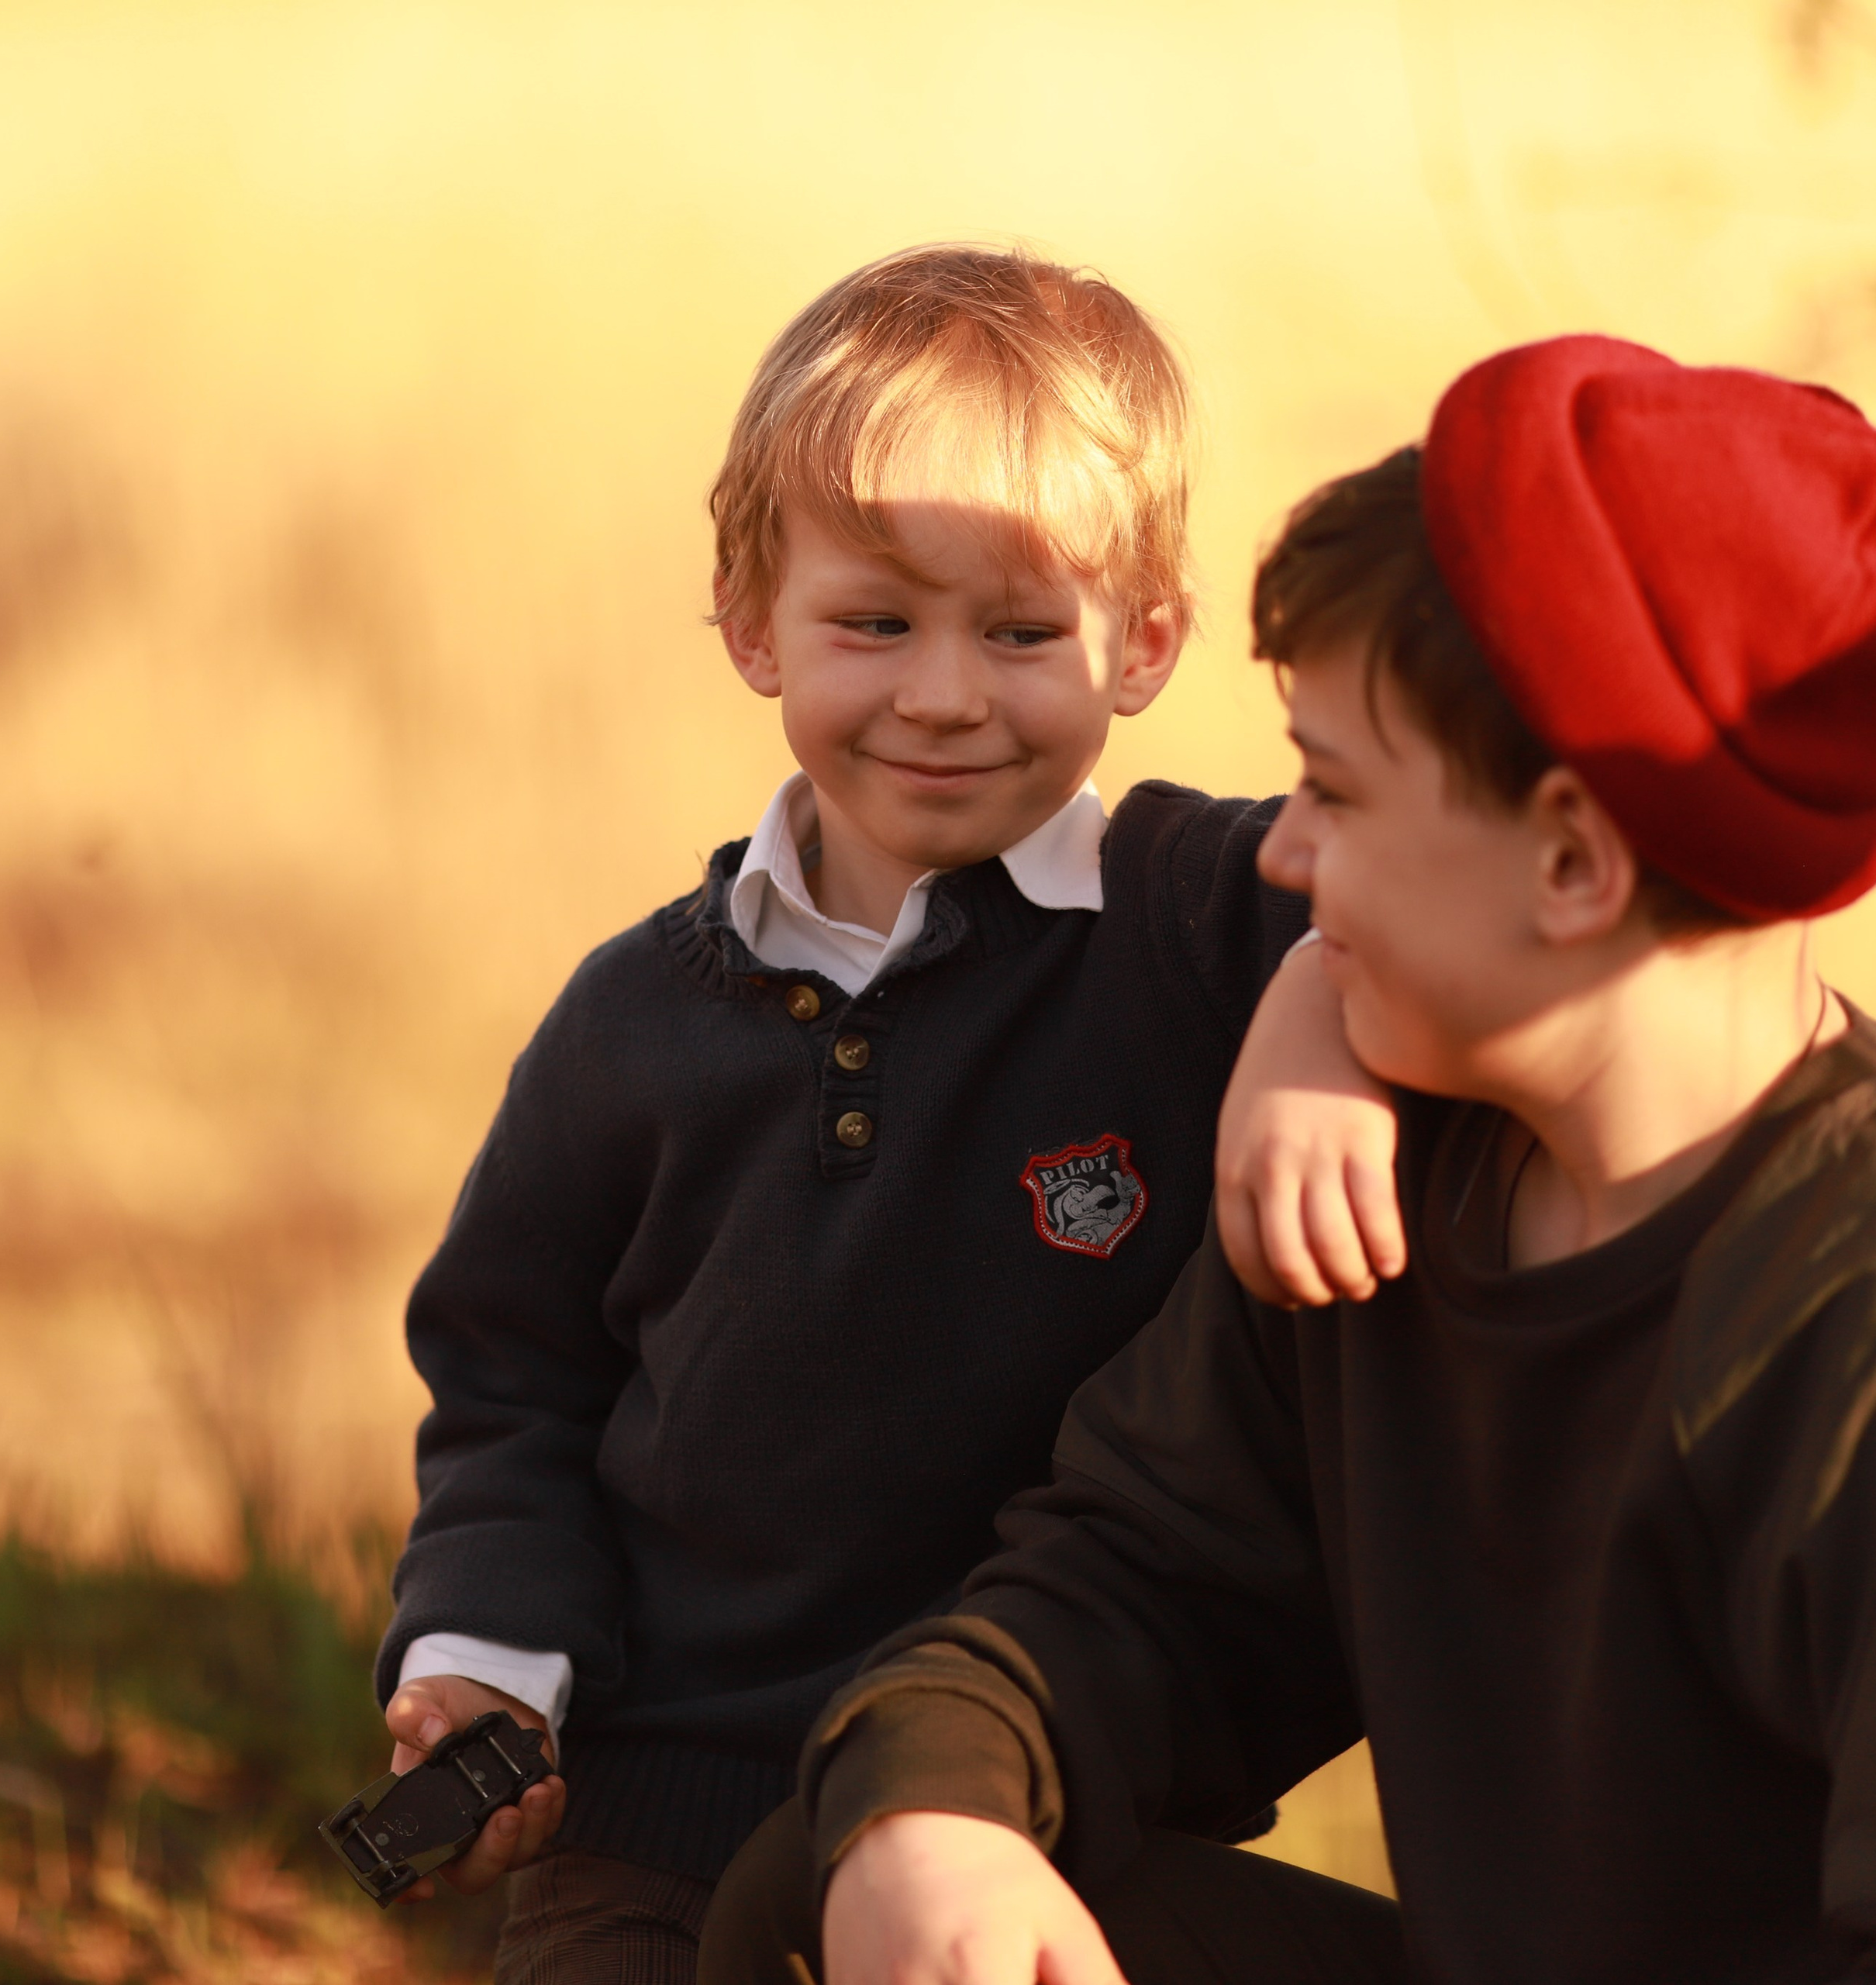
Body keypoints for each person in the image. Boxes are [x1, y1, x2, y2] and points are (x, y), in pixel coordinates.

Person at [698, 333, 1876, 1985]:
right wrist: (933, 1800)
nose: (1284, 847)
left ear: (1567, 859)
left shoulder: (1837, 1325)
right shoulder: (1390, 1189)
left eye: (1327, 788)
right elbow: (1132, 1583)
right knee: (837, 1902)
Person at [370, 243, 1398, 1985]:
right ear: (751, 616)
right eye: (875, 623)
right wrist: (490, 1646)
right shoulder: (636, 1022)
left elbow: (1391, 905)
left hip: (1036, 1821)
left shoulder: (1192, 920)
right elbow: (513, 1377)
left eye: (1018, 632)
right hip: (655, 1822)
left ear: (1142, 640)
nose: (941, 694)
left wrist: (1309, 1026)